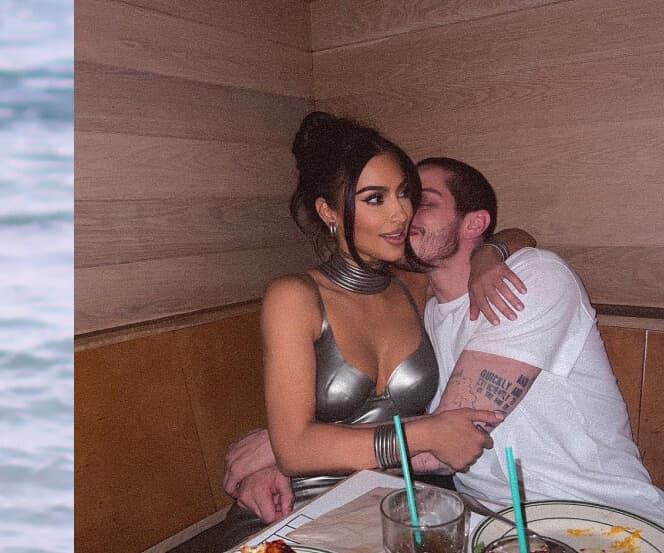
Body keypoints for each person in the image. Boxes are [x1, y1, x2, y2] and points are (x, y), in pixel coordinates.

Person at [221, 156, 664, 538]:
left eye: (420, 201)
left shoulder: (532, 279)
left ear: (474, 223)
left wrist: (292, 450)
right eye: (398, 197)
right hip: (484, 521)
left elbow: (444, 440)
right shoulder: (420, 311)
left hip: (602, 518)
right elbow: (416, 430)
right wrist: (293, 453)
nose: (402, 214)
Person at [171, 113, 536, 552]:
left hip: (395, 503)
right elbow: (295, 449)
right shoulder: (295, 296)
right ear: (328, 211)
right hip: (299, 503)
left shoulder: (414, 284)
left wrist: (488, 255)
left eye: (405, 193)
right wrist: (426, 434)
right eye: (375, 199)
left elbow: (518, 235)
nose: (401, 213)